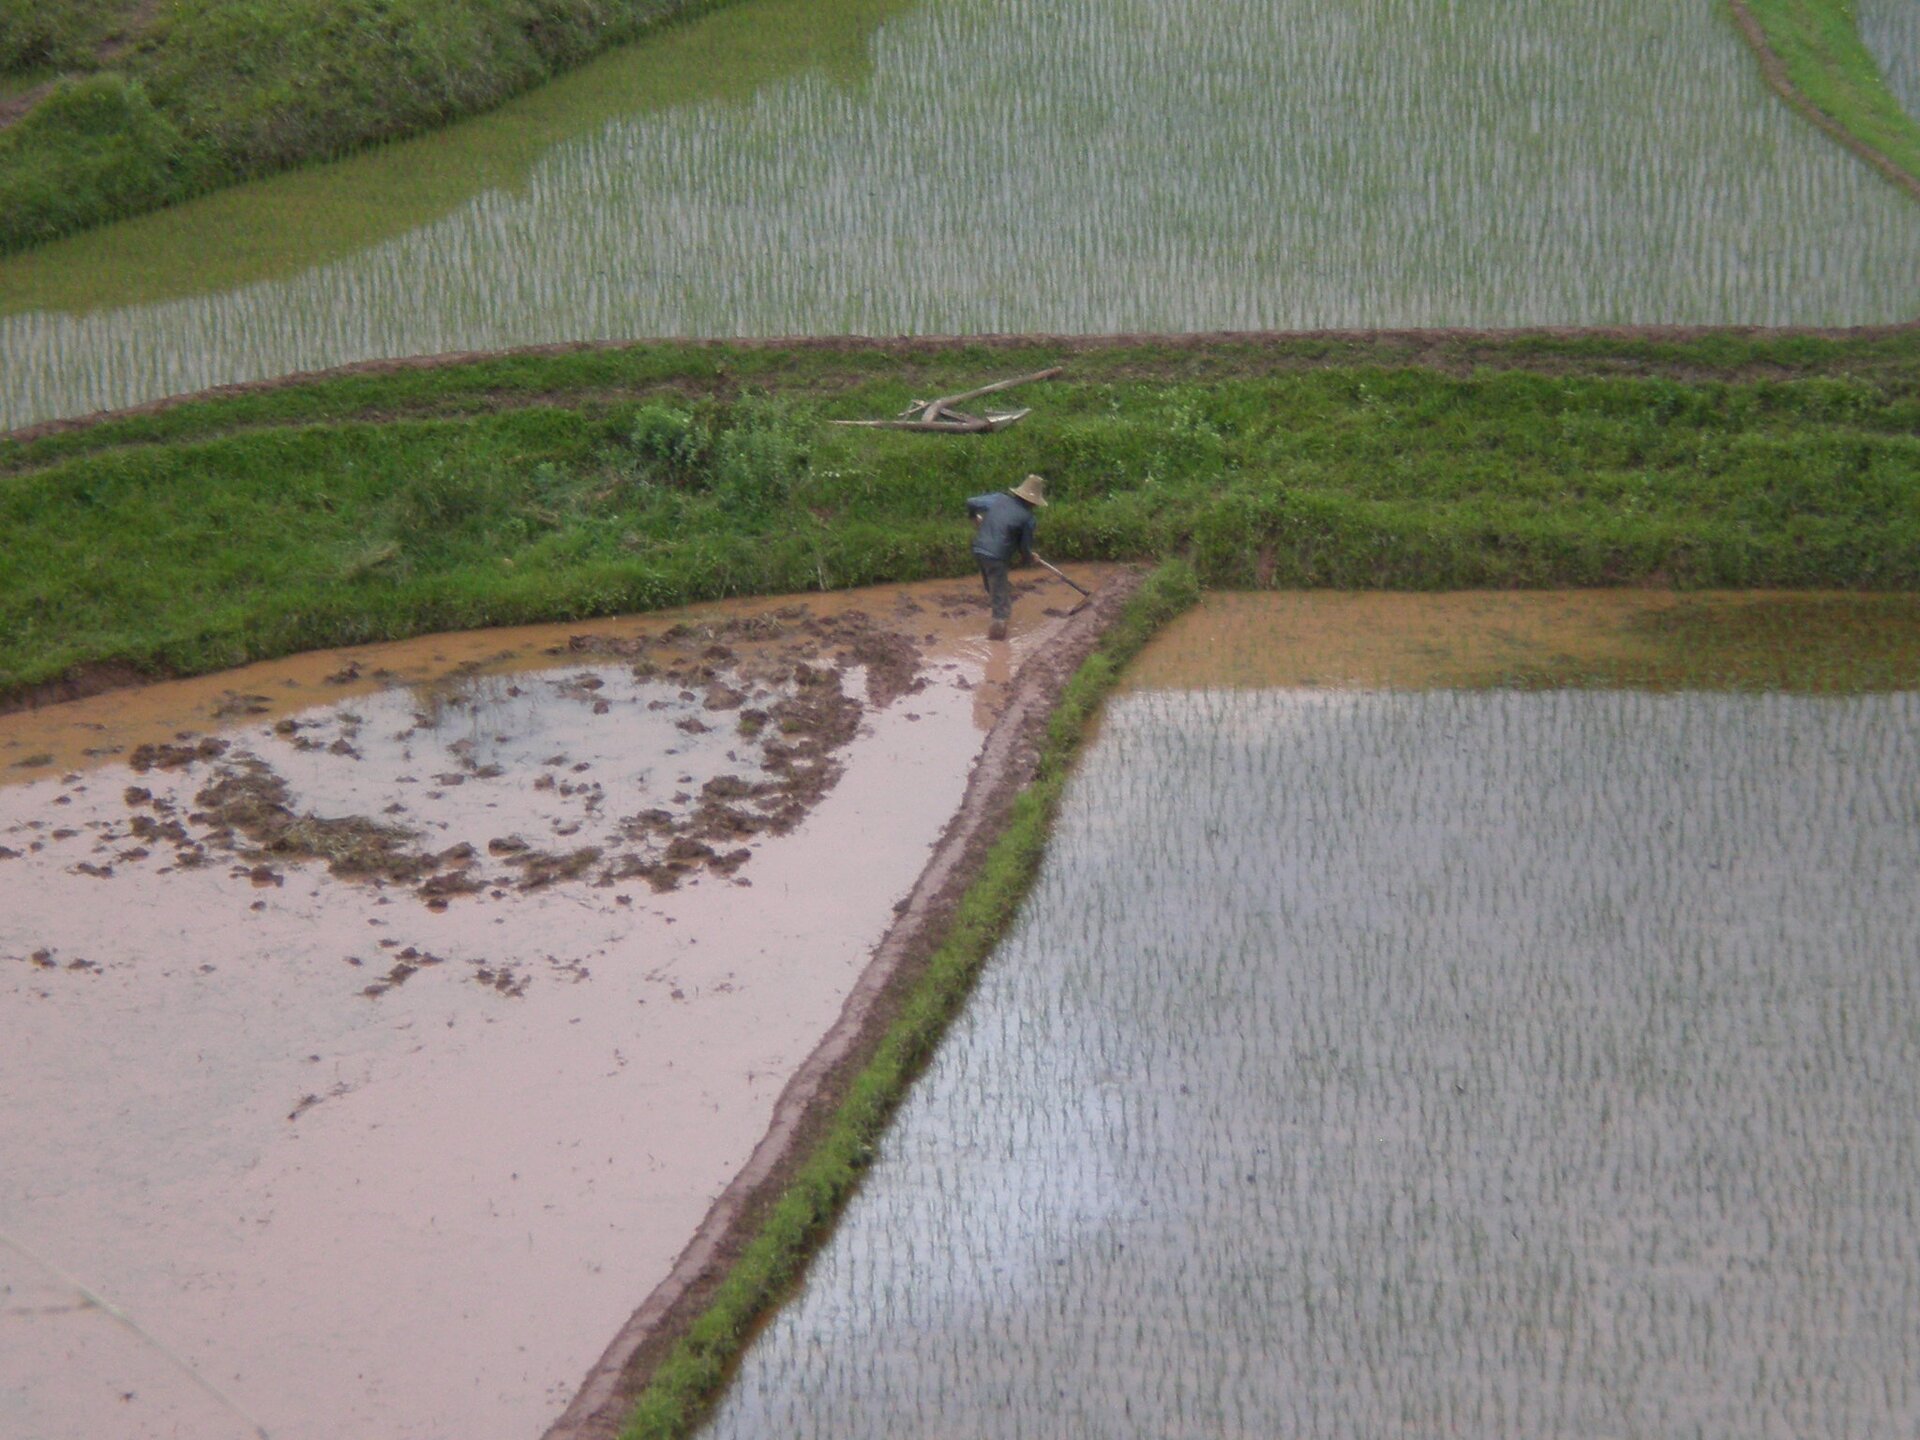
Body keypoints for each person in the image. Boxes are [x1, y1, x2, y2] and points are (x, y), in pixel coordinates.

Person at [966, 473, 1047, 640]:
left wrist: (974, 518)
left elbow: (971, 502)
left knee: (994, 585)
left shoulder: (998, 499)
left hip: (979, 548)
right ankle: (997, 642)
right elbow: (1024, 548)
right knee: (1000, 604)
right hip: (996, 556)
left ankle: (1000, 602)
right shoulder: (1028, 519)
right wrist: (1030, 557)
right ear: (1033, 502)